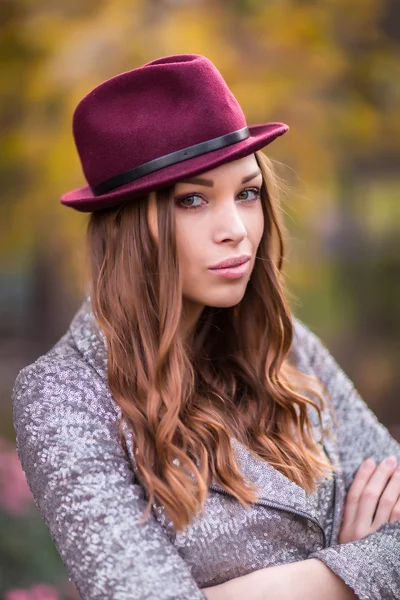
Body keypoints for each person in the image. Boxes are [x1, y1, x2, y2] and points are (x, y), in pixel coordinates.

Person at [12, 54, 400, 600]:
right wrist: (346, 573)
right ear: (129, 228)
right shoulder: (62, 394)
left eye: (247, 193)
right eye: (193, 200)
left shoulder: (287, 351)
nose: (237, 230)